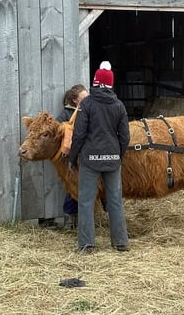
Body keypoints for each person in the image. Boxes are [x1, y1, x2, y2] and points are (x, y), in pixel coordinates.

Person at [69, 61, 130, 253]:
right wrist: (118, 155)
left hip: (90, 160)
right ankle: (120, 242)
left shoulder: (87, 104)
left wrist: (72, 157)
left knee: (86, 201)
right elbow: (125, 136)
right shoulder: (119, 106)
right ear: (110, 84)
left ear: (95, 82)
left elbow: (79, 134)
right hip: (112, 159)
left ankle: (87, 245)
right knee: (115, 200)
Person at [57, 84, 89, 227]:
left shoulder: (88, 110)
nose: (88, 99)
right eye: (84, 97)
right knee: (74, 188)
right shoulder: (66, 114)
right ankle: (70, 219)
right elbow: (57, 131)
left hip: (87, 155)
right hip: (74, 156)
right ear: (75, 100)